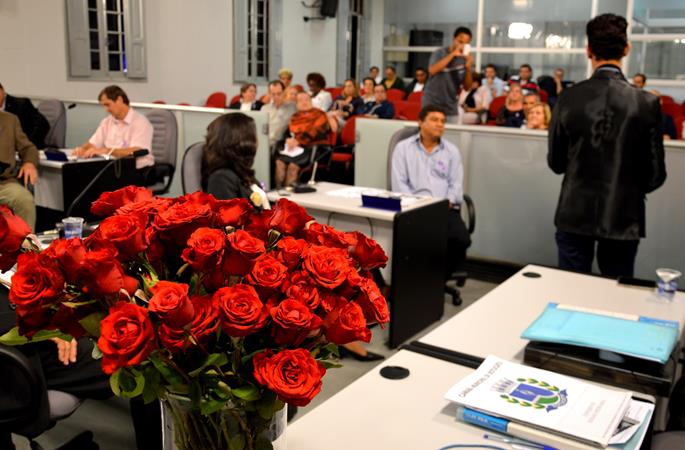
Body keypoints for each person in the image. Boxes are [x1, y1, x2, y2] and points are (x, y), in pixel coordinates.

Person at [548, 13, 666, 278]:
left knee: (570, 293)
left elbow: (556, 163)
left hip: (574, 212)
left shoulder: (567, 98)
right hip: (624, 216)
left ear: (588, 50)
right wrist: (626, 187)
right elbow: (656, 175)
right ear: (627, 49)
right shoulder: (647, 103)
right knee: (616, 298)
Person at [391, 105, 471, 280]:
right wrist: (415, 205)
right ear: (420, 122)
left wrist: (445, 203)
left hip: (444, 209)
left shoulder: (451, 151)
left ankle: (436, 279)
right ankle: (418, 280)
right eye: (434, 120)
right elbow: (399, 184)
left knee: (461, 239)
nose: (440, 124)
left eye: (442, 121)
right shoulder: (403, 149)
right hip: (412, 209)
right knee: (414, 241)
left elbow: (456, 185)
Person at [73, 85, 154, 173]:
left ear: (119, 100)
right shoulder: (107, 121)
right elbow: (93, 143)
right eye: (104, 106)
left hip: (138, 171)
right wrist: (83, 149)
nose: (106, 110)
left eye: (108, 105)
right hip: (114, 169)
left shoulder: (140, 122)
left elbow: (138, 150)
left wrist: (108, 151)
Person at [202, 113, 269, 209]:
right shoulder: (221, 179)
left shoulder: (242, 173)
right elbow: (232, 222)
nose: (257, 141)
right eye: (253, 136)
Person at [274, 92, 331, 188]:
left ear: (311, 101)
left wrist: (298, 141)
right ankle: (278, 193)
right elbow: (288, 133)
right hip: (294, 149)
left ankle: (289, 198)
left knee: (293, 166)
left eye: (307, 99)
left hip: (312, 148)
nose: (304, 102)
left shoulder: (320, 114)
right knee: (279, 163)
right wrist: (288, 140)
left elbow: (317, 131)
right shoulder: (294, 117)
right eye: (300, 100)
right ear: (296, 104)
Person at [422, 26, 473, 123]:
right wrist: (453, 54)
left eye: (466, 43)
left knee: (452, 135)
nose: (462, 46)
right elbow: (432, 70)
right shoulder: (439, 53)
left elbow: (467, 87)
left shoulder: (465, 59)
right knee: (430, 133)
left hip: (450, 105)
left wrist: (468, 67)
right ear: (454, 39)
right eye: (460, 42)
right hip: (432, 102)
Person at [0, 111, 39, 230]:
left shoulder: (10, 120)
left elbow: (28, 148)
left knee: (24, 199)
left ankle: (27, 246)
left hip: (4, 182)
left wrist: (29, 163)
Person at [0, 82, 49, 149]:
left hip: (24, 150)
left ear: (2, 90)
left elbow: (43, 125)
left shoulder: (21, 104)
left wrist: (26, 145)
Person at [261, 80, 297, 149]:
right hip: (265, 142)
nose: (276, 97)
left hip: (281, 143)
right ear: (269, 94)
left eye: (279, 94)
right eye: (273, 94)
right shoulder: (265, 108)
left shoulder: (293, 107)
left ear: (284, 92)